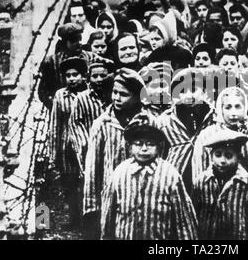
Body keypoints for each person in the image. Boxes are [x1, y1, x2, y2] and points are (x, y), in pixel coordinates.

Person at [83, 68, 153, 239]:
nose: (116, 98)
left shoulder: (149, 122)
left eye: (124, 94)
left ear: (137, 97)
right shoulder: (103, 124)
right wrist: (92, 208)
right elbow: (93, 168)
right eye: (114, 92)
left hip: (143, 198)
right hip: (111, 197)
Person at [101, 118, 198, 240]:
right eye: (138, 143)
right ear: (130, 147)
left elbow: (183, 218)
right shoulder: (120, 173)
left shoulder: (170, 175)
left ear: (159, 147)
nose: (144, 149)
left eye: (150, 144)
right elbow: (108, 214)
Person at [192, 87, 248, 235]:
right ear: (220, 109)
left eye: (238, 107)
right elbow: (198, 173)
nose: (233, 113)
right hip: (211, 205)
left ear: (245, 108)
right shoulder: (207, 135)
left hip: (241, 201)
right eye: (228, 107)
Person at [192, 128, 248, 240]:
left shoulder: (246, 182)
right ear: (211, 156)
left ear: (238, 157)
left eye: (229, 156)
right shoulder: (201, 182)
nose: (222, 160)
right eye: (218, 155)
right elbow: (194, 215)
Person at [155, 68, 215, 192]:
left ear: (204, 92)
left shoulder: (214, 119)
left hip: (207, 183)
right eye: (182, 91)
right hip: (174, 184)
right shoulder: (164, 122)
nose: (188, 96)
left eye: (193, 90)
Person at [48, 57, 88, 228]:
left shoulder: (89, 93)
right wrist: (53, 153)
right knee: (70, 183)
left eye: (75, 74)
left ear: (83, 76)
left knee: (87, 183)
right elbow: (55, 125)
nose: (72, 78)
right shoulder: (60, 95)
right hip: (68, 147)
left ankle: (89, 218)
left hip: (87, 144)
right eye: (68, 75)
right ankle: (74, 218)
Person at [38, 23, 102, 110]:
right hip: (63, 109)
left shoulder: (92, 58)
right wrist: (57, 106)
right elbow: (43, 92)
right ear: (65, 42)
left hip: (87, 108)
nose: (78, 43)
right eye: (73, 41)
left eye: (80, 39)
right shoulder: (52, 62)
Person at [68, 60, 113, 175]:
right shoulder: (81, 99)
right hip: (90, 151)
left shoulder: (114, 97)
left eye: (103, 76)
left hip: (111, 149)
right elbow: (75, 125)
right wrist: (87, 148)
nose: (99, 79)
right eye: (95, 76)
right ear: (88, 79)